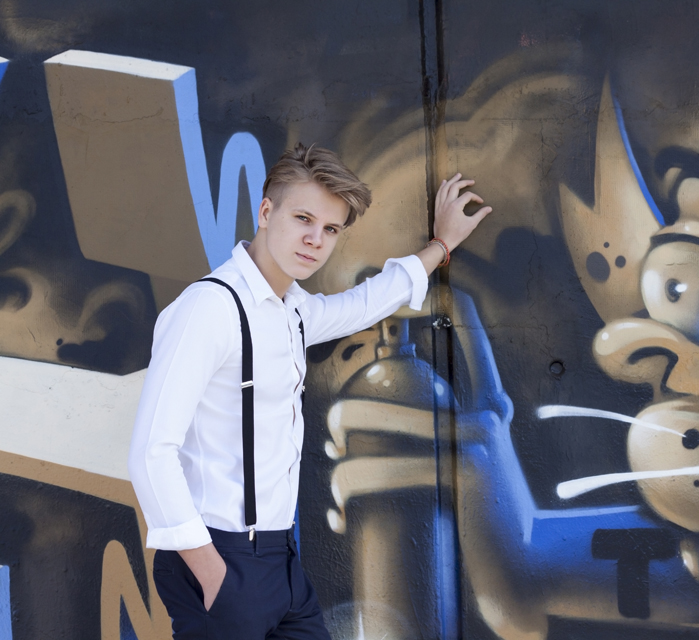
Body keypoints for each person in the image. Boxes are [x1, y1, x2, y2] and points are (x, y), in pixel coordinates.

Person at [127, 143, 491, 639]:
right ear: (266, 212)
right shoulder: (209, 309)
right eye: (303, 218)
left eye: (331, 229)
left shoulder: (294, 313)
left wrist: (442, 246)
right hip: (222, 558)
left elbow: (366, 303)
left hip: (280, 560)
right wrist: (212, 574)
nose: (315, 239)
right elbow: (151, 452)